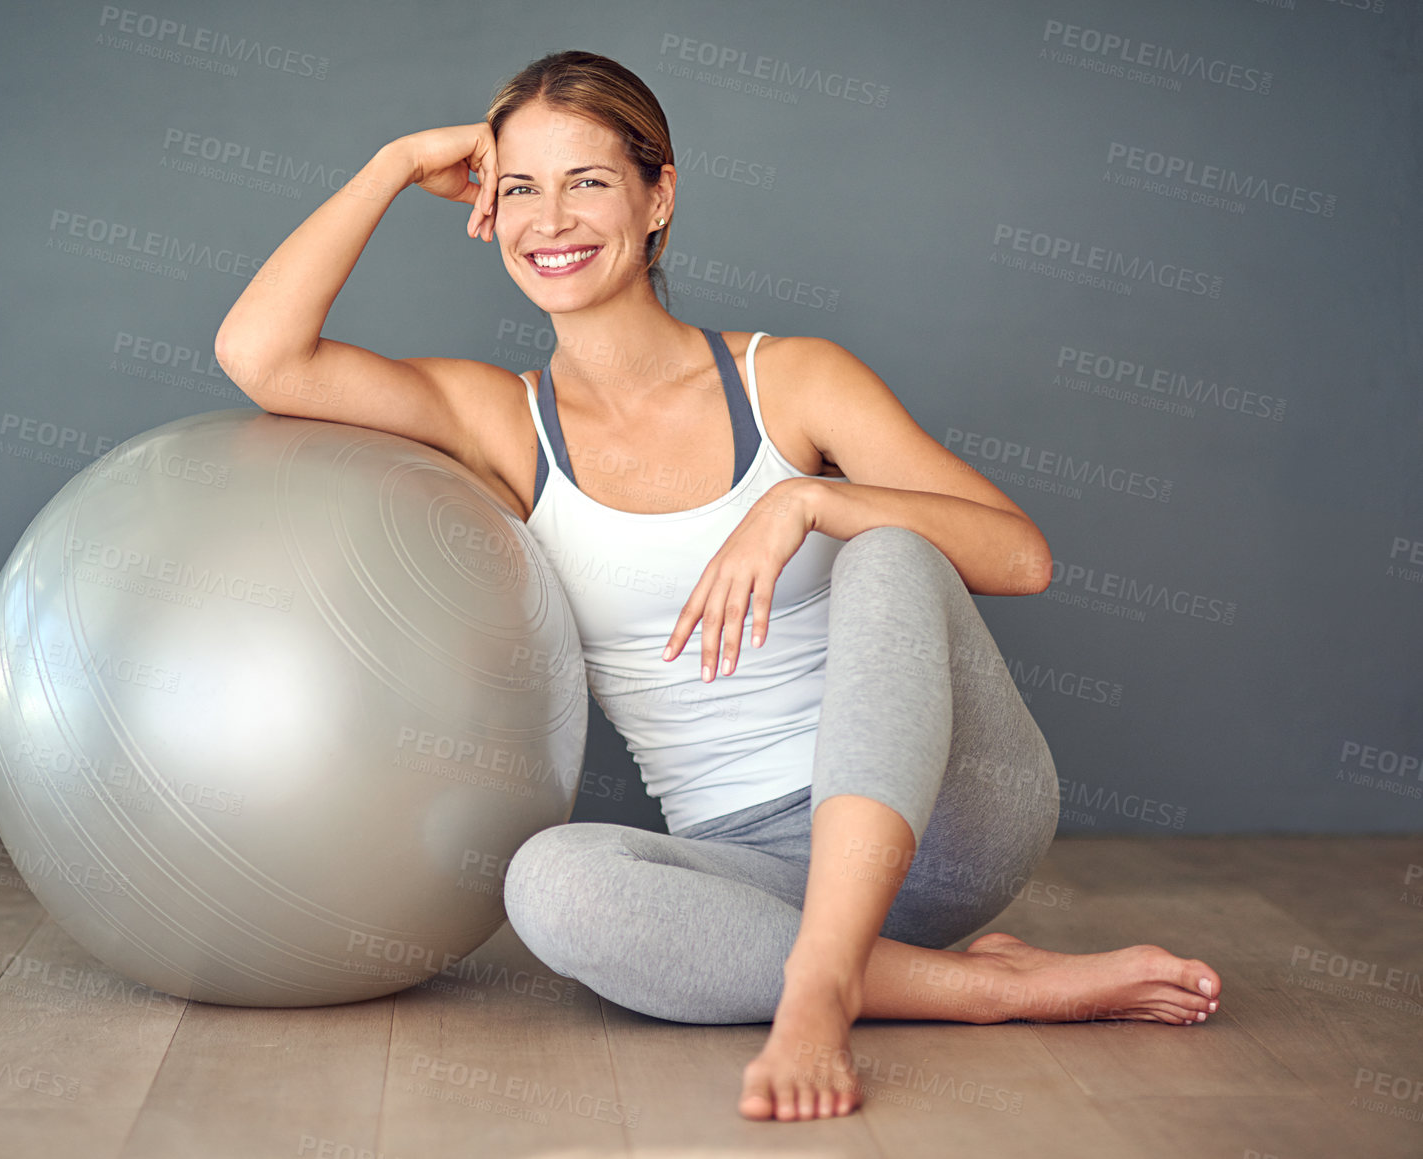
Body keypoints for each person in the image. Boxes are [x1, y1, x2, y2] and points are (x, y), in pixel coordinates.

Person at [215, 49, 1222, 1124]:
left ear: (660, 196)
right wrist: (394, 161)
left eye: (588, 181)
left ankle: (824, 991)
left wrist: (808, 504)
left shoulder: (791, 380)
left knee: (888, 548)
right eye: (518, 187)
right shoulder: (502, 422)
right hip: (743, 871)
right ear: (485, 210)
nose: (550, 218)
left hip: (952, 819)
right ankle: (982, 987)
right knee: (548, 883)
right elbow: (263, 357)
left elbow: (1021, 555)